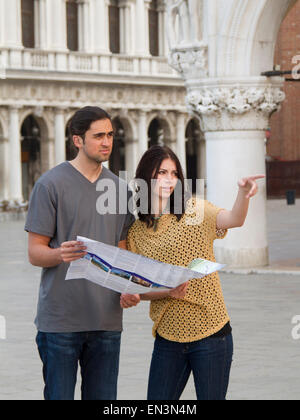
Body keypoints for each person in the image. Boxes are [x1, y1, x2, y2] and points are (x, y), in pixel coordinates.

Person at [121, 145, 264, 400]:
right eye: (161, 172)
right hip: (167, 338)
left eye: (174, 173)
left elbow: (233, 219)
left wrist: (243, 194)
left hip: (212, 335)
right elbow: (140, 289)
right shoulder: (136, 233)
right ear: (145, 177)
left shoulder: (195, 211)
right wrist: (165, 292)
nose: (168, 179)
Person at [25, 106, 138, 400]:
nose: (107, 142)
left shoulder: (121, 190)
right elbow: (35, 253)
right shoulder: (49, 185)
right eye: (98, 135)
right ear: (77, 140)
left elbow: (121, 252)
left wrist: (127, 287)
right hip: (60, 323)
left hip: (107, 322)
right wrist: (59, 254)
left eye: (110, 135)